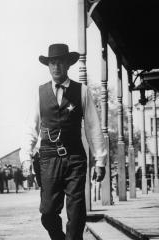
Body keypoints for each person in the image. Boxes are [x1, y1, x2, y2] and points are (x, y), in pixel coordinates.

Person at [21, 43, 107, 240]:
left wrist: (100, 160)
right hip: (48, 158)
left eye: (60, 62)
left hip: (75, 157)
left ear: (68, 65)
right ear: (48, 65)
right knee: (48, 212)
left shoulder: (82, 91)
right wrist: (26, 158)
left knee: (76, 212)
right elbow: (30, 127)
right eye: (52, 62)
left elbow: (93, 126)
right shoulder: (40, 92)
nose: (56, 67)